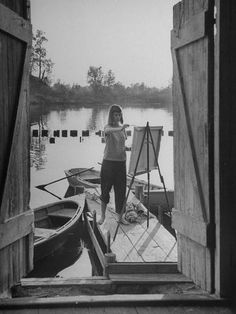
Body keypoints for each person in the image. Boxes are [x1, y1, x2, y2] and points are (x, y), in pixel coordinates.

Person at [98, 104, 129, 225]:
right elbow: (107, 131)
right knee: (105, 190)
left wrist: (131, 148)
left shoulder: (122, 129)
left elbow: (122, 145)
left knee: (121, 191)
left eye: (119, 114)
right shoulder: (108, 128)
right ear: (111, 115)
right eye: (115, 115)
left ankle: (120, 217)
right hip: (109, 163)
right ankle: (103, 216)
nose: (118, 117)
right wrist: (120, 128)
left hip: (121, 163)